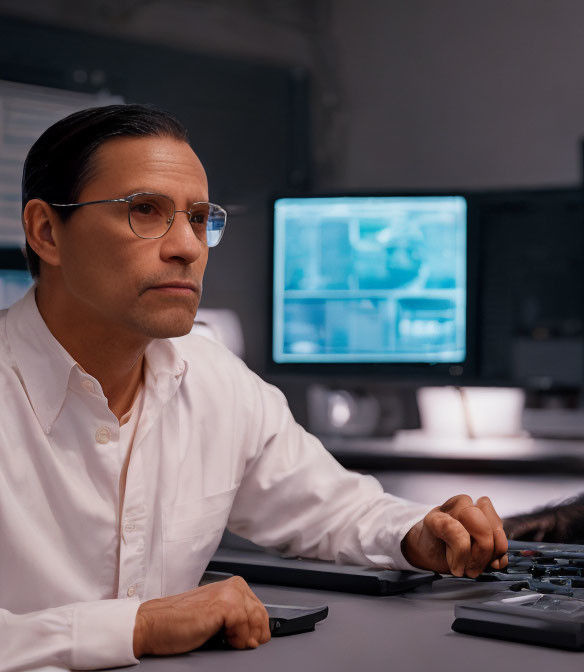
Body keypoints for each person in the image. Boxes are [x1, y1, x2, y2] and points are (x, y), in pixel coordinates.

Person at [0, 104, 508, 671]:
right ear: (47, 231)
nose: (188, 248)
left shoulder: (214, 380)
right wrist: (136, 626)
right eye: (145, 211)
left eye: (197, 218)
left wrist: (416, 534)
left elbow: (332, 508)